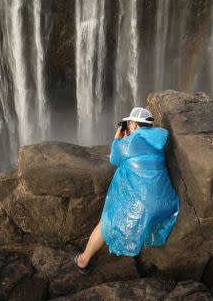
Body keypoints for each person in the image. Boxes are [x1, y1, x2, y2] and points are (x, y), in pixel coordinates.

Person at [73, 107, 180, 274]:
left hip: (144, 207)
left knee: (106, 222)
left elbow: (114, 159)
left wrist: (117, 139)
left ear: (135, 125)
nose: (127, 127)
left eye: (129, 124)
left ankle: (83, 260)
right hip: (167, 205)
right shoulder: (159, 141)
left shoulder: (128, 143)